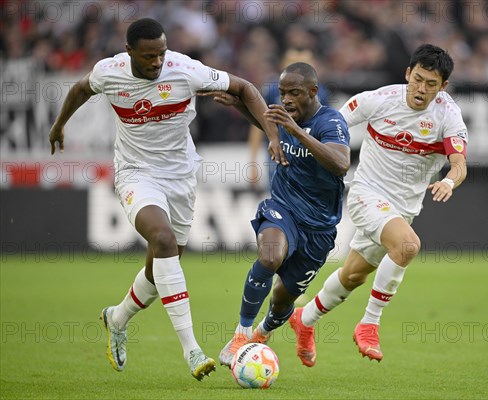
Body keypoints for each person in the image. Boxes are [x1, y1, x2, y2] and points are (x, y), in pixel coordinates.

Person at [48, 18, 286, 381]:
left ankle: (118, 317)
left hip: (181, 177)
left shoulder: (186, 70)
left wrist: (271, 135)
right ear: (129, 52)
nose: (157, 62)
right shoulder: (109, 72)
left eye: (161, 53)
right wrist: (59, 123)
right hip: (135, 173)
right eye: (149, 57)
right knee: (162, 241)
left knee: (160, 269)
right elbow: (81, 88)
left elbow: (245, 88)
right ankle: (192, 351)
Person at [289, 44, 468, 366]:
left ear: (443, 87)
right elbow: (332, 125)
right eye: (418, 79)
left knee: (353, 276)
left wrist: (448, 181)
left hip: (403, 209)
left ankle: (303, 319)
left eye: (431, 84)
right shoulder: (378, 100)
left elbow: (459, 164)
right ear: (407, 74)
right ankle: (370, 323)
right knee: (408, 246)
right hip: (365, 193)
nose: (421, 89)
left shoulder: (448, 116)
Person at [202, 62, 350, 368]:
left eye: (294, 93)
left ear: (313, 91)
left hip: (319, 228)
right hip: (283, 207)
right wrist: (240, 105)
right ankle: (241, 334)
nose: (286, 99)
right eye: (283, 93)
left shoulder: (330, 121)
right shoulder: (285, 115)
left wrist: (295, 130)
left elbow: (340, 164)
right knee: (270, 256)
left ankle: (263, 332)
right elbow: (264, 122)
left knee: (283, 299)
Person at [247, 48, 332, 189]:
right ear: (283, 64)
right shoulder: (272, 90)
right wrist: (253, 163)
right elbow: (258, 126)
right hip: (279, 159)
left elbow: (327, 129)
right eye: (293, 63)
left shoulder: (321, 93)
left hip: (309, 160)